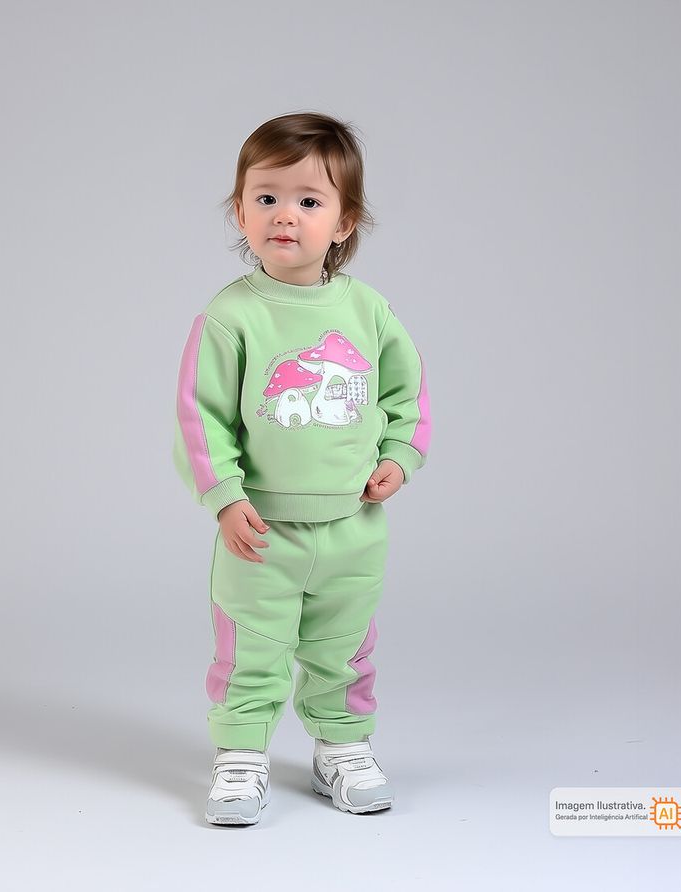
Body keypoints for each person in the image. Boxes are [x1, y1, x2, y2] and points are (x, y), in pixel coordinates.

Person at [173, 111, 432, 826]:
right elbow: (200, 417)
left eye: (309, 200)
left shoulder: (368, 311)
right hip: (260, 530)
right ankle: (240, 755)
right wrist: (224, 497)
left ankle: (342, 747)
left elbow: (407, 394)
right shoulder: (231, 316)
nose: (285, 215)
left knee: (343, 647)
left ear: (344, 222)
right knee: (249, 649)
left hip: (353, 525)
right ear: (240, 212)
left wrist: (400, 456)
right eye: (266, 197)